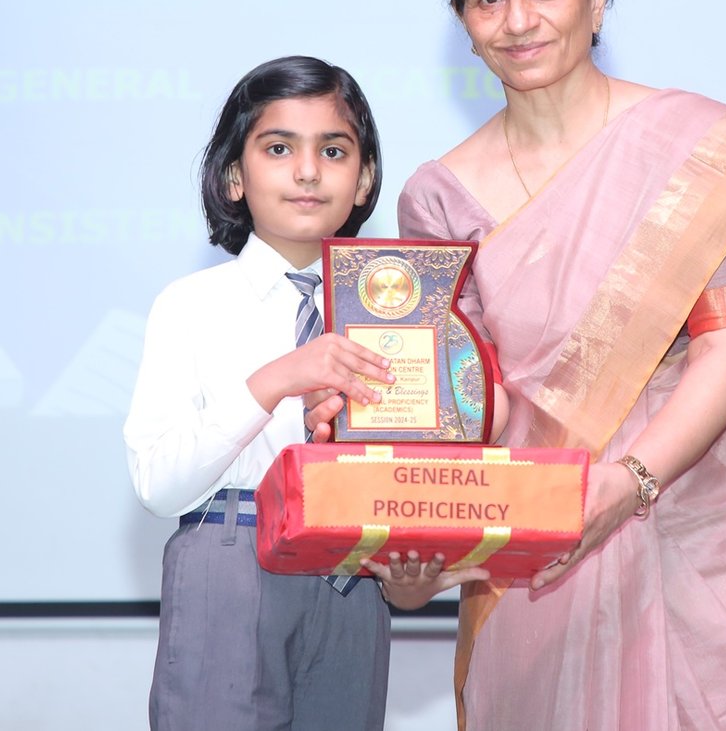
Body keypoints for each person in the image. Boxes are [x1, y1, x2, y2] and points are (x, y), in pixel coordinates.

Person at [316, 0, 726, 729]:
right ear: (464, 22)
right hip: (538, 538)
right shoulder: (439, 196)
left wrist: (628, 481)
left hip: (702, 523)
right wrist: (406, 494)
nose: (519, 19)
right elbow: (471, 401)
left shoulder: (697, 152)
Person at [124, 55, 476, 731]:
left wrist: (411, 573)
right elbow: (157, 484)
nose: (308, 171)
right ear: (234, 176)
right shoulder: (190, 304)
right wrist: (279, 378)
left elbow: (414, 478)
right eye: (279, 148)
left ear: (364, 178)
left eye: (334, 150)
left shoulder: (397, 311)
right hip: (230, 557)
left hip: (352, 581)